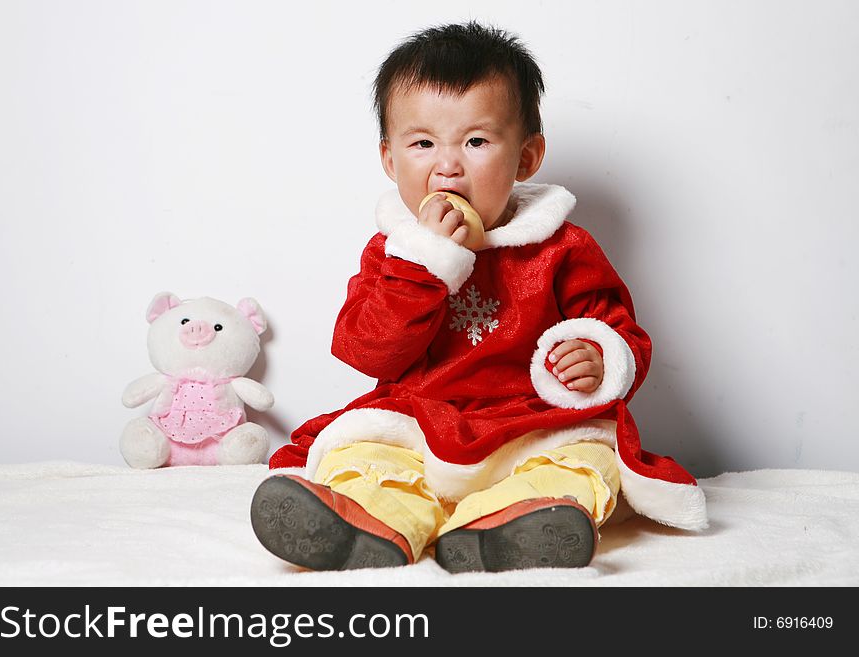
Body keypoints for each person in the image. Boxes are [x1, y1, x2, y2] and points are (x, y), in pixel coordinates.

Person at [251, 21, 707, 573]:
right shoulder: (395, 254)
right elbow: (366, 351)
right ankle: (373, 519)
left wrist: (597, 353)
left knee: (589, 458)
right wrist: (423, 267)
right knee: (362, 454)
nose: (447, 165)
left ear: (526, 157)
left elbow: (618, 329)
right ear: (390, 161)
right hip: (419, 421)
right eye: (422, 143)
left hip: (531, 424)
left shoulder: (561, 246)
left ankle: (516, 520)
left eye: (476, 141)